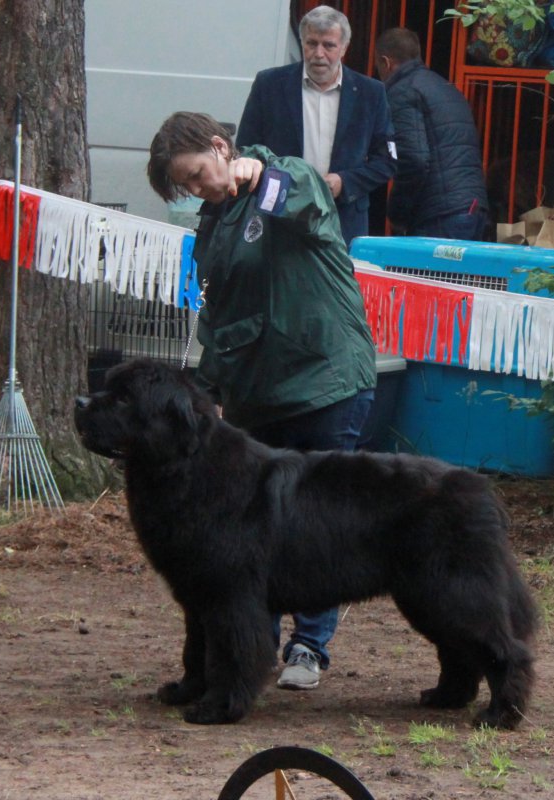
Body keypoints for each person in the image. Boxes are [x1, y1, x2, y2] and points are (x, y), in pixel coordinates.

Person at [147, 111, 376, 692]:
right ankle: (251, 653)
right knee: (252, 533)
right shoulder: (213, 223)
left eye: (199, 174)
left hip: (325, 379)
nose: (198, 189)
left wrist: (260, 173)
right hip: (256, 395)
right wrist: (213, 393)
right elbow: (219, 315)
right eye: (187, 185)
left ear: (222, 148)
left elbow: (299, 198)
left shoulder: (286, 177)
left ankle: (310, 647)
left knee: (322, 521)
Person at [236, 5, 396, 247]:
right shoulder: (269, 85)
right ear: (302, 43)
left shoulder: (370, 93)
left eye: (329, 45)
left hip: (343, 221)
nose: (318, 54)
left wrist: (345, 182)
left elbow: (386, 161)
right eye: (311, 43)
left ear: (344, 47)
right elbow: (247, 149)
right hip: (278, 218)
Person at [374, 27, 489, 240]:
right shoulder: (445, 87)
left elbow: (414, 160)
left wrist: (397, 212)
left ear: (385, 62)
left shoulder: (402, 91)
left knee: (425, 274)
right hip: (472, 206)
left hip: (440, 215)